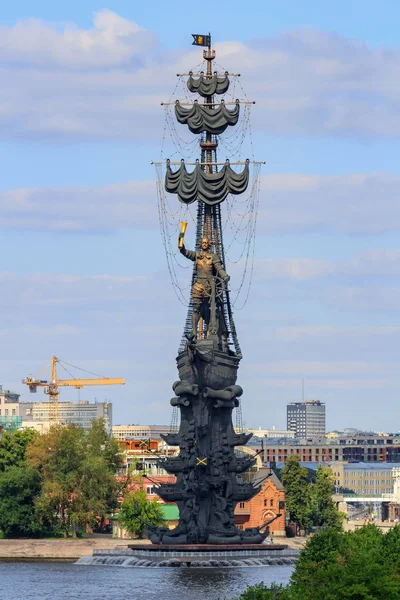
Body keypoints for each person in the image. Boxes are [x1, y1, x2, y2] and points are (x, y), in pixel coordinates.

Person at [180, 236, 230, 339]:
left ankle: (213, 332)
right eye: (202, 242)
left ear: (209, 244)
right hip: (198, 285)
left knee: (212, 308)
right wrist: (180, 242)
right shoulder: (197, 256)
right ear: (200, 244)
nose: (204, 244)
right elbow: (185, 252)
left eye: (206, 242)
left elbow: (219, 268)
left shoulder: (213, 257)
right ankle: (194, 332)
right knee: (195, 308)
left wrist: (224, 276)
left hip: (209, 286)